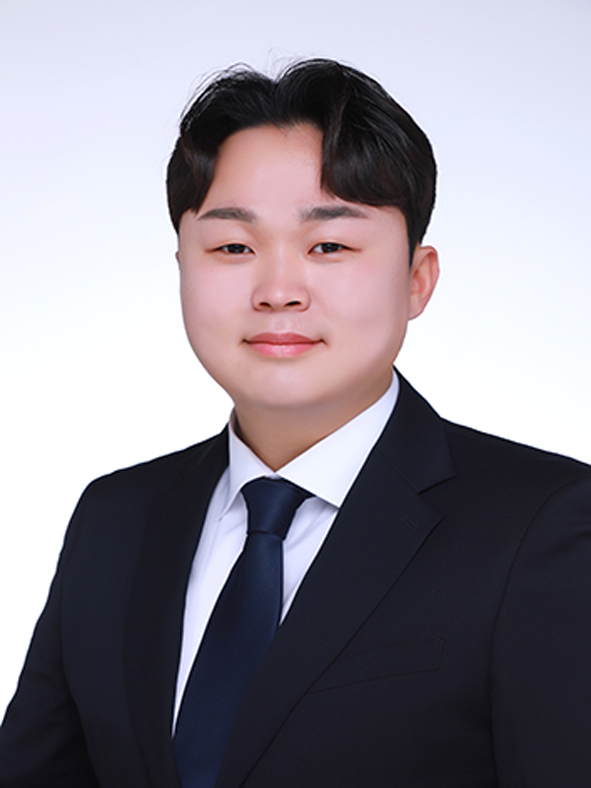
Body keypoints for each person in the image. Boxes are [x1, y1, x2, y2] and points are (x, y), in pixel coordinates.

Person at [1, 58, 590, 788]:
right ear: (181, 266)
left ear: (417, 279)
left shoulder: (543, 525)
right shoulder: (115, 517)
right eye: (233, 248)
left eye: (329, 246)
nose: (278, 290)